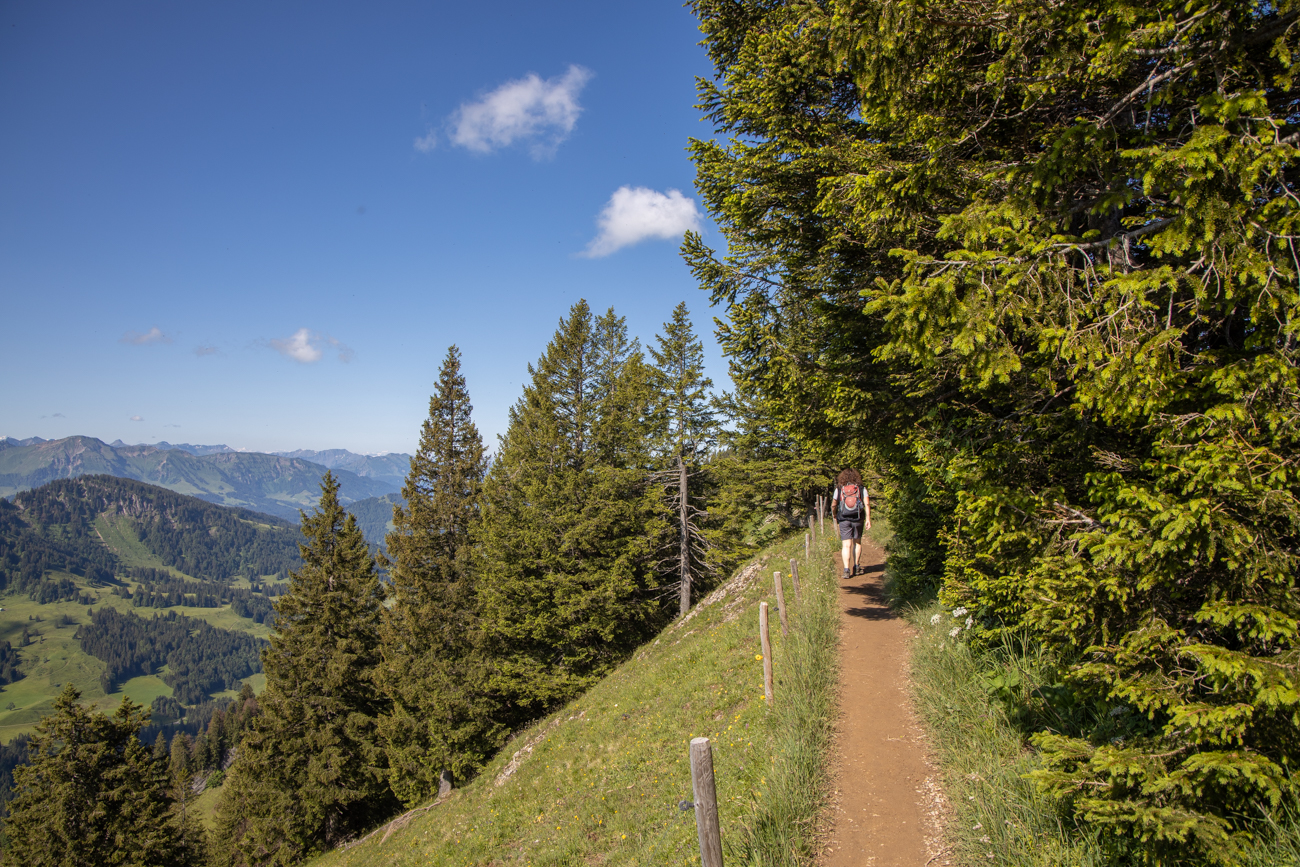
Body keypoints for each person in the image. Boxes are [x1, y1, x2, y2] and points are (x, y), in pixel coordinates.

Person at [831, 469, 871, 579]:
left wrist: (834, 515)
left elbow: (834, 504)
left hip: (844, 518)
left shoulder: (839, 489)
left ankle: (846, 570)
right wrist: (868, 519)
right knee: (857, 542)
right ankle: (857, 567)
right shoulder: (861, 488)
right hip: (858, 518)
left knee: (846, 545)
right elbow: (866, 504)